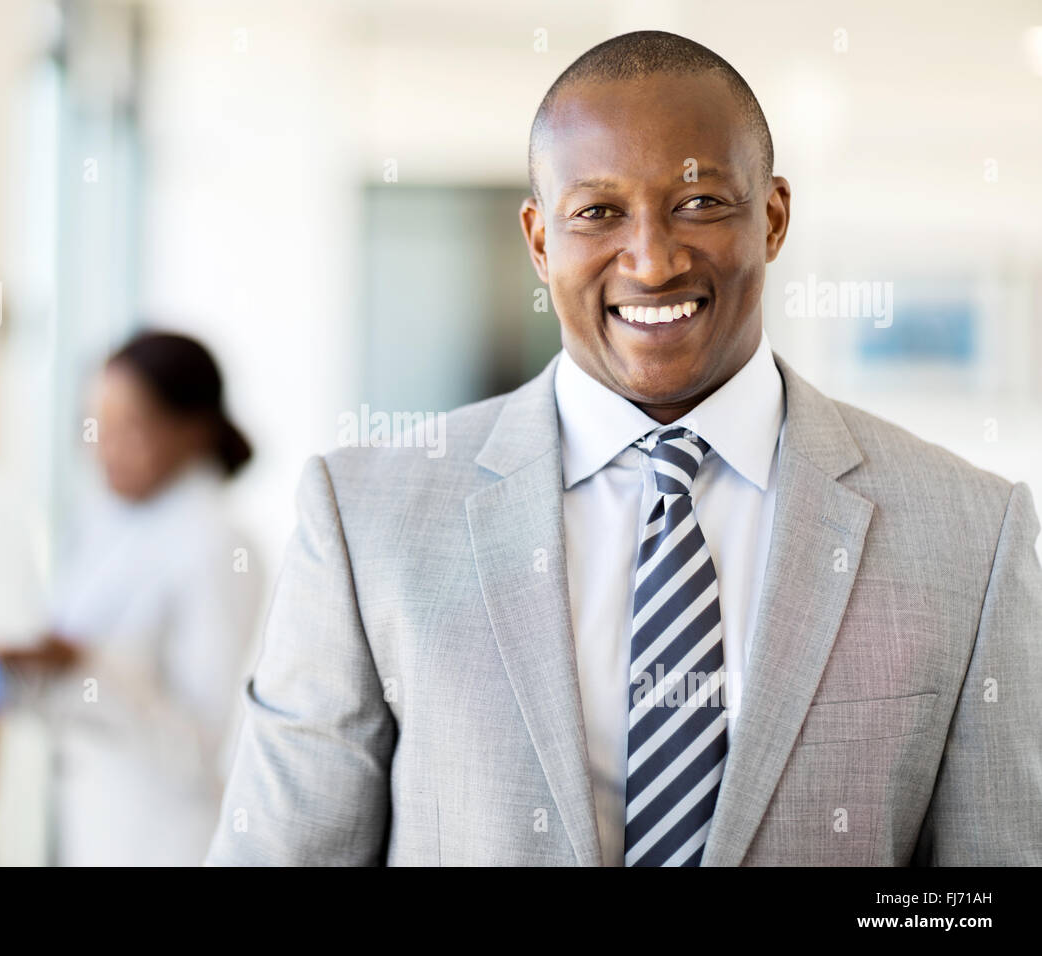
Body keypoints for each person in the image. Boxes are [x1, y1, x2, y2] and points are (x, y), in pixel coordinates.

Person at [205, 31, 1042, 866]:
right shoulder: (364, 518)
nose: (652, 259)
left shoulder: (975, 535)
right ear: (539, 241)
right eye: (598, 213)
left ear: (774, 216)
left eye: (699, 203)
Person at [7, 330, 261, 865]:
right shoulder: (107, 521)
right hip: (93, 829)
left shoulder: (217, 544)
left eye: (130, 428)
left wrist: (82, 665)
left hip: (167, 840)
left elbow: (201, 749)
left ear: (192, 431)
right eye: (94, 426)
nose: (103, 448)